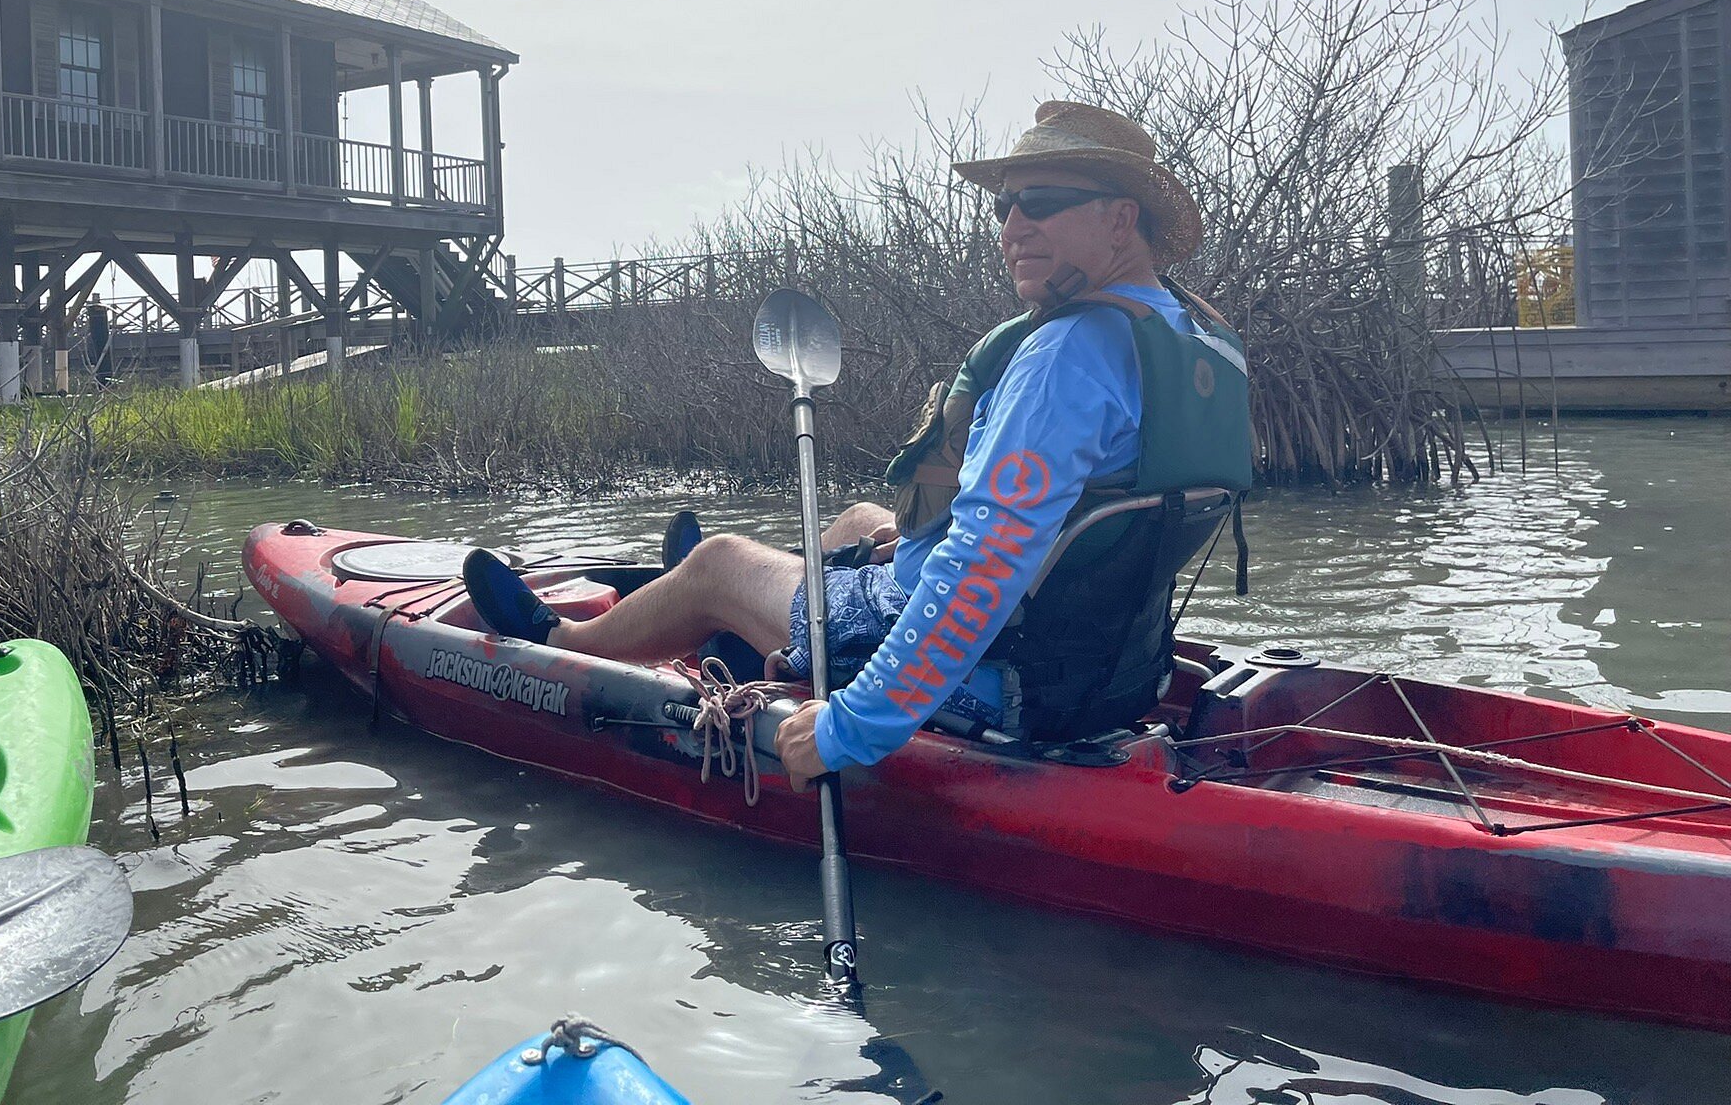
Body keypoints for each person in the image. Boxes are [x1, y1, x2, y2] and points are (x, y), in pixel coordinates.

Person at [462, 100, 1251, 789]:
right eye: (1005, 206)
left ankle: (567, 639)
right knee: (857, 523)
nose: (1013, 228)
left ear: (1121, 219)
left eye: (1041, 203)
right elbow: (1064, 521)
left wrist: (851, 728)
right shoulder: (1192, 339)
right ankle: (735, 628)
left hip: (1003, 683)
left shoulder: (1066, 354)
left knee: (722, 560)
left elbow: (985, 565)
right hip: (1115, 669)